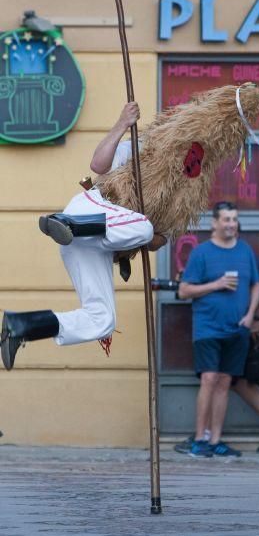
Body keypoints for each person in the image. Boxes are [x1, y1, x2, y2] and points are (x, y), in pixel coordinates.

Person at [1, 102, 161, 371]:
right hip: (90, 209)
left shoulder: (176, 195)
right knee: (144, 227)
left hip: (97, 242)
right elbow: (98, 164)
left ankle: (21, 327)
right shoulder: (139, 148)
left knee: (103, 321)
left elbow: (157, 241)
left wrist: (150, 234)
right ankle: (69, 223)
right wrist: (122, 123)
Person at [174, 251, 259, 455]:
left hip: (238, 329)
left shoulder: (246, 255)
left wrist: (257, 317)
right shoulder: (211, 255)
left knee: (233, 379)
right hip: (225, 328)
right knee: (227, 379)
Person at [178, 201, 259, 457]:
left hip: (237, 329)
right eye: (226, 219)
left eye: (234, 219)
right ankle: (199, 440)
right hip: (208, 328)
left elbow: (256, 286)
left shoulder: (245, 250)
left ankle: (215, 441)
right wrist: (217, 284)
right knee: (209, 379)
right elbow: (184, 291)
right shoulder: (201, 253)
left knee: (225, 382)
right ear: (214, 223)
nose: (231, 224)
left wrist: (250, 316)